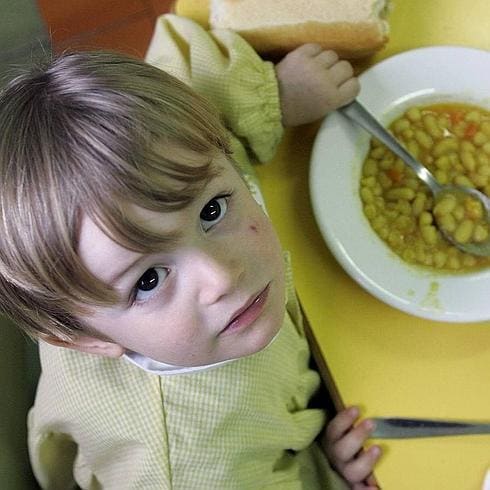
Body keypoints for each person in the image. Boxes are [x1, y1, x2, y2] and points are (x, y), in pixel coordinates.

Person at [0, 14, 380, 490]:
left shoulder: (166, 174)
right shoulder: (191, 467)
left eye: (213, 210)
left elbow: (181, 68)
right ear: (85, 338)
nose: (221, 275)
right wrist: (329, 476)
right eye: (150, 280)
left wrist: (275, 96)